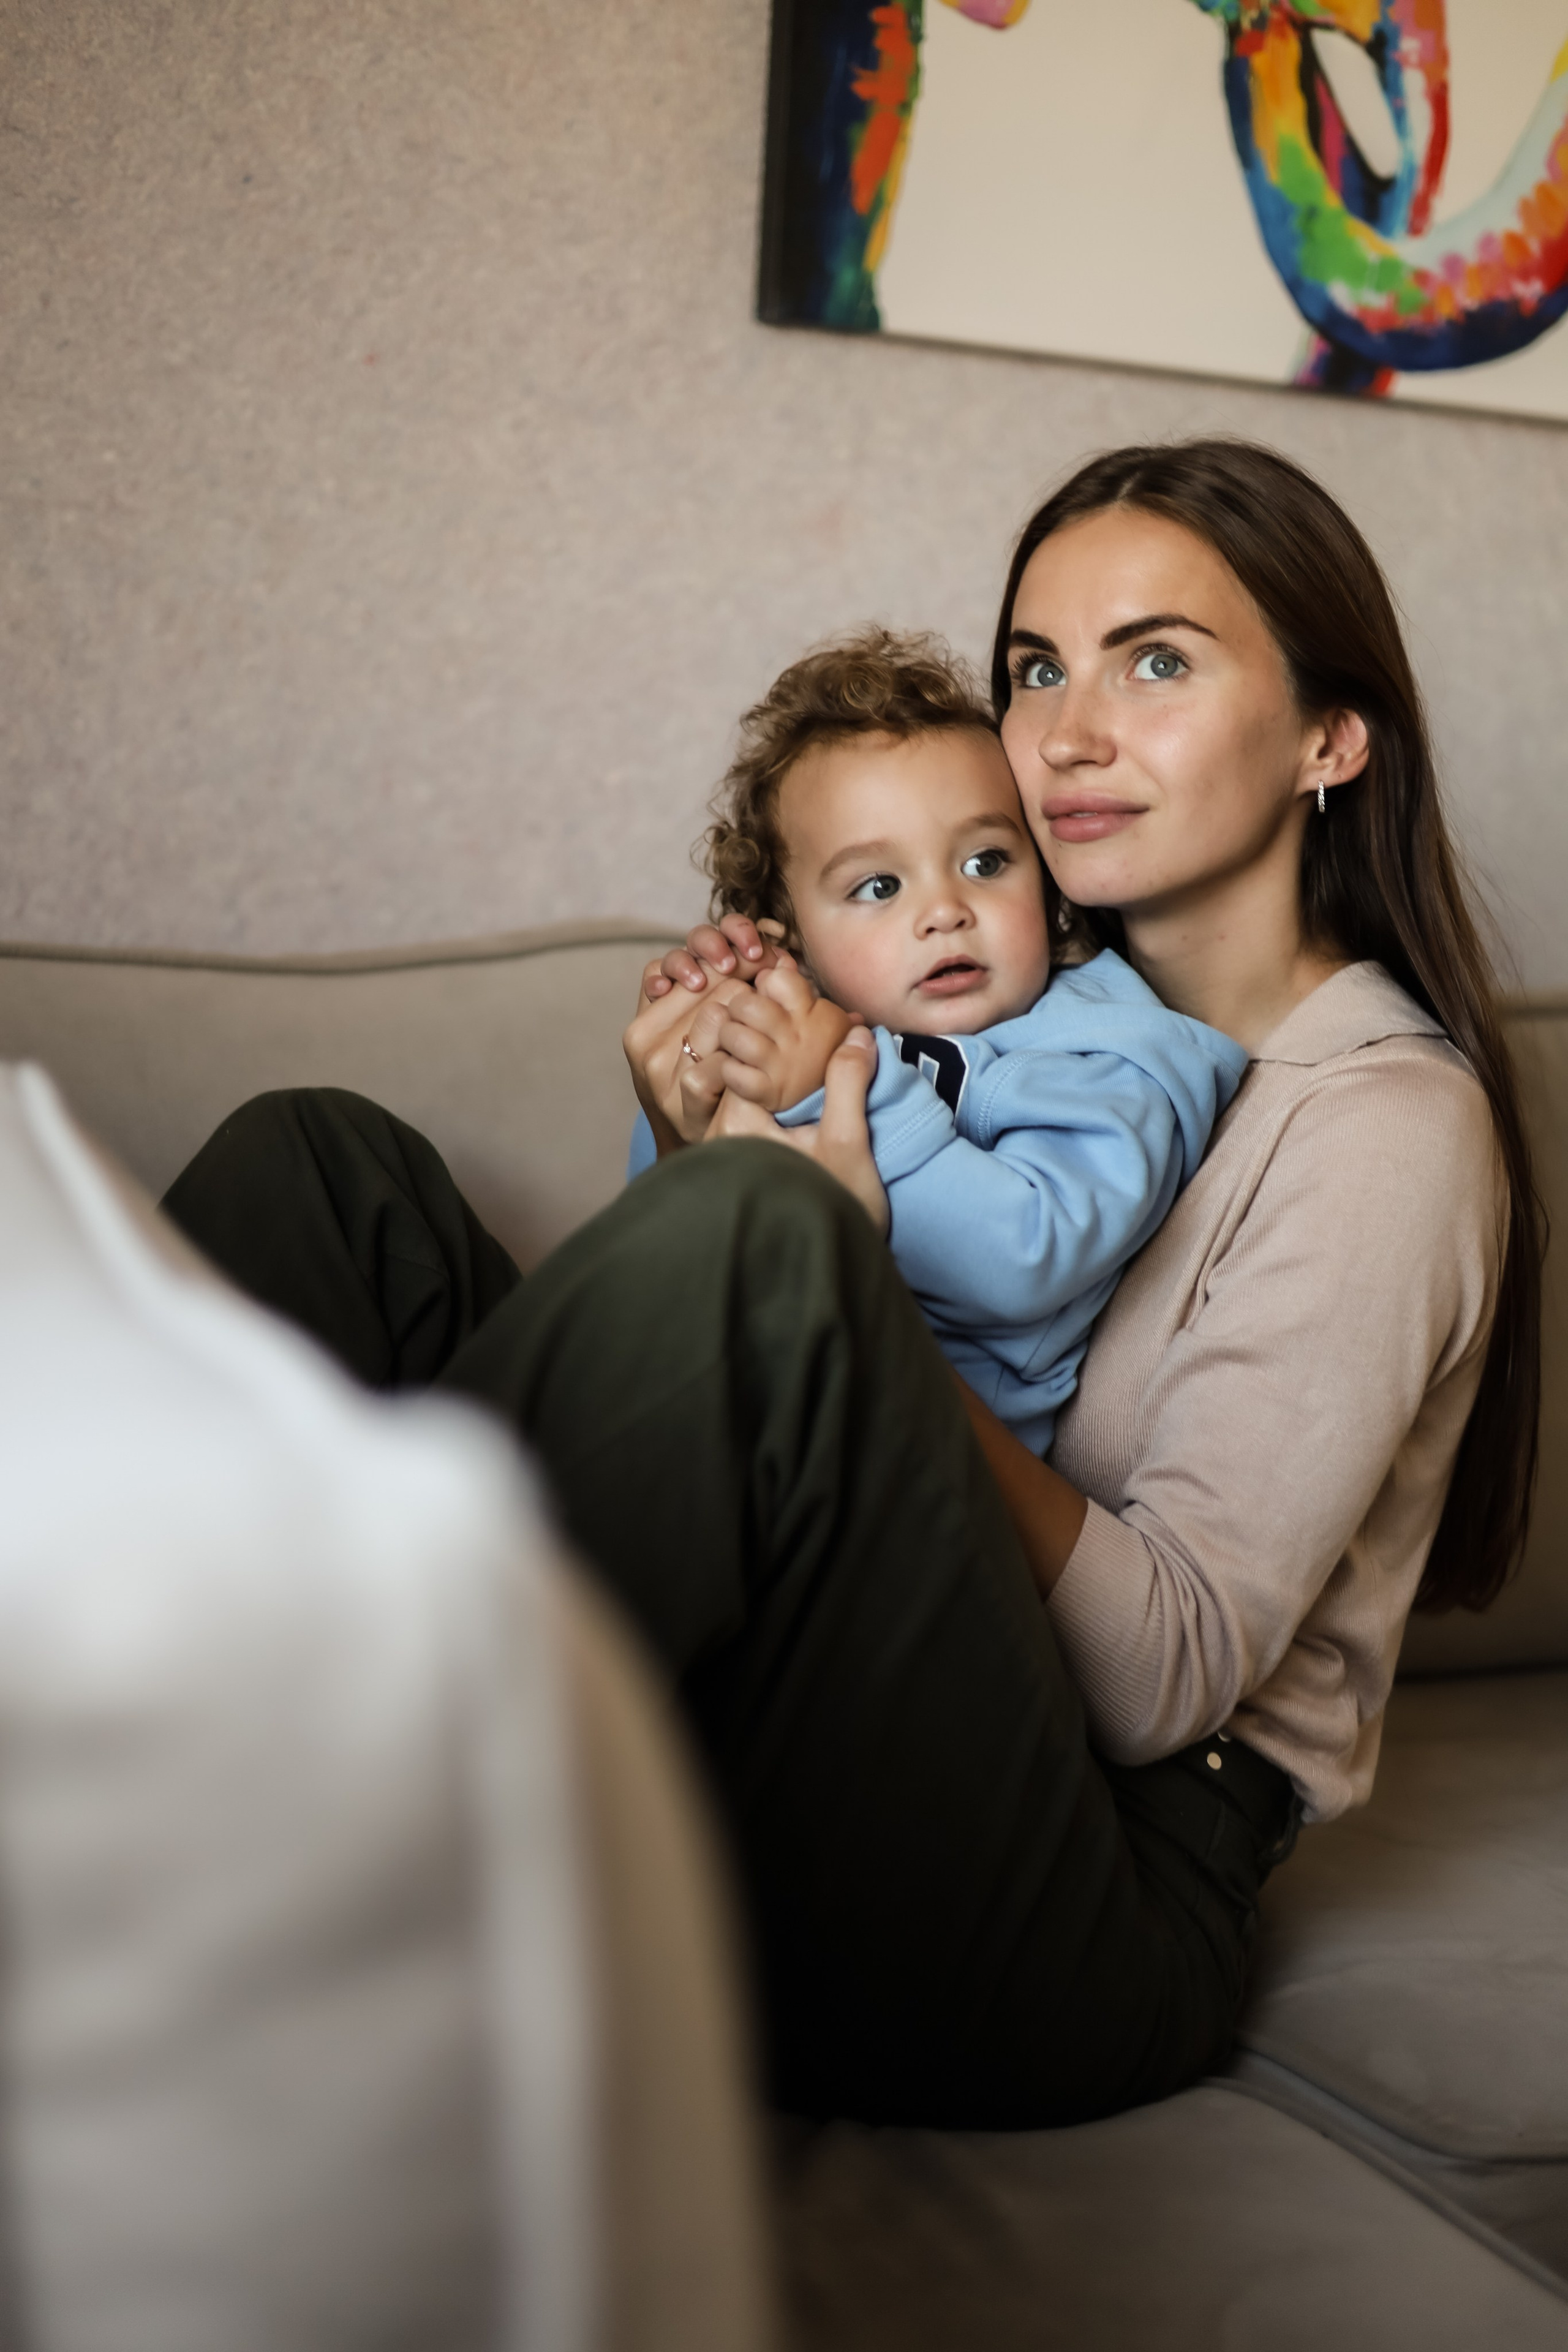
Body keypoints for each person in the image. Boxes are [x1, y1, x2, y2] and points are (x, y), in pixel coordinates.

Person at [162, 440, 1540, 2132]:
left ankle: (256, 1833)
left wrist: (814, 1258)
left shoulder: (1383, 1123)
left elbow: (1166, 1673)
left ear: (1331, 737)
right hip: (841, 1730)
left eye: (1157, 661)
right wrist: (703, 1138)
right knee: (325, 1171)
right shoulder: (1001, 999)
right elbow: (767, 1409)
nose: (1071, 733)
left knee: (769, 1236)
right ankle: (176, 1732)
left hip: (1084, 1892)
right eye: (1038, 667)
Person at [625, 625, 1249, 1452]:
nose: (945, 910)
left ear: (1054, 889)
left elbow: (1027, 1259)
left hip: (908, 1481)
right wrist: (689, 1089)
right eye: (878, 885)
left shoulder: (1108, 1049)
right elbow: (664, 1255)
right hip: (725, 1415)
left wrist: (837, 1089)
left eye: (987, 862)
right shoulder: (791, 1026)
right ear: (790, 938)